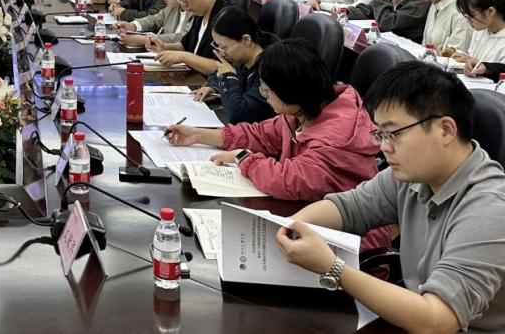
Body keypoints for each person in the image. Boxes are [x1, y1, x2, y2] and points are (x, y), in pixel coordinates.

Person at [279, 62, 505, 332]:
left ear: (445, 130)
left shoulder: (490, 209)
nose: (384, 147)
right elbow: (350, 207)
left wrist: (334, 268)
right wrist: (292, 225)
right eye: (380, 134)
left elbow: (438, 320)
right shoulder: (415, 171)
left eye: (393, 134)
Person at [166, 39, 389, 251]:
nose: (264, 95)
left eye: (266, 90)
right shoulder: (305, 108)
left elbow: (286, 180)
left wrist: (243, 158)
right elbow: (260, 134)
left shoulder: (335, 137)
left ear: (290, 91)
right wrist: (199, 135)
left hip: (349, 247)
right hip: (307, 221)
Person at [191, 7, 274, 125]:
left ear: (246, 40)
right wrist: (214, 88)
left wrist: (228, 77)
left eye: (224, 47)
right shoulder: (242, 58)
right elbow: (217, 73)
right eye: (218, 47)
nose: (221, 53)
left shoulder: (269, 69)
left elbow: (238, 115)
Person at [149, 0, 229, 75]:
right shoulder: (200, 13)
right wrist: (164, 47)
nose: (183, 5)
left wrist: (184, 57)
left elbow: (224, 67)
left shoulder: (226, 18)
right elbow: (186, 45)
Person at [448, 0, 505, 67]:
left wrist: (479, 65)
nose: (468, 21)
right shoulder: (481, 30)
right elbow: (473, 57)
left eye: (470, 16)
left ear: (490, 11)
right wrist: (454, 53)